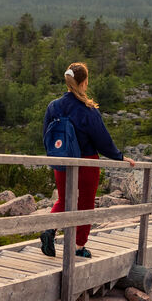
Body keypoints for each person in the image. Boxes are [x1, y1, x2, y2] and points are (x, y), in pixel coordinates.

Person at [39, 61, 134, 258]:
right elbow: (102, 140)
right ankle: (78, 247)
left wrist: (56, 155)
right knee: (85, 204)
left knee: (64, 200)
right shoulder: (87, 110)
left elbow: (46, 135)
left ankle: (50, 228)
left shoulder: (53, 106)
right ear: (84, 82)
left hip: (62, 161)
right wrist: (119, 156)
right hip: (86, 162)